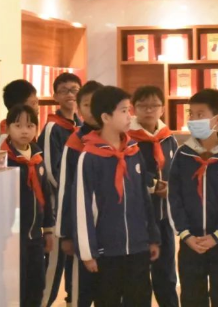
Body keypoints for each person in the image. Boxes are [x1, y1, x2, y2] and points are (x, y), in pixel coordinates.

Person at [75, 86, 161, 306]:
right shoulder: (90, 157)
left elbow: (144, 199)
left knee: (140, 300)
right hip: (107, 251)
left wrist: (152, 237)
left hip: (138, 247)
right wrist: (88, 252)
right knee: (108, 300)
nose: (129, 116)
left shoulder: (133, 151)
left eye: (129, 110)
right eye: (123, 111)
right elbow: (83, 206)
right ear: (105, 117)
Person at [168, 89, 218, 307]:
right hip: (190, 242)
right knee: (192, 297)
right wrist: (185, 234)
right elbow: (174, 197)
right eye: (191, 114)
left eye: (200, 114)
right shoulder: (183, 154)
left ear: (217, 119)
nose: (193, 119)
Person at [128, 86, 180, 307]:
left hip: (164, 216)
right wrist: (153, 184)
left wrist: (172, 188)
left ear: (162, 109)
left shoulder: (169, 138)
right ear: (133, 108)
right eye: (143, 106)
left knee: (166, 275)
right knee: (138, 278)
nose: (149, 110)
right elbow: (129, 170)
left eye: (154, 105)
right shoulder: (127, 138)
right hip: (137, 218)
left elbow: (176, 171)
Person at [55, 80, 104, 307]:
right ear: (79, 109)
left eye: (97, 103)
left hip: (110, 232)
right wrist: (65, 233)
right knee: (80, 293)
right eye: (86, 104)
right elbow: (65, 188)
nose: (92, 110)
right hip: (80, 231)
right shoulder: (75, 141)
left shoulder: (118, 138)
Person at [1, 105, 54, 307]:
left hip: (35, 237)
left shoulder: (37, 157)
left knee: (37, 285)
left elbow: (45, 194)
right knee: (17, 288)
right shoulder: (3, 160)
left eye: (30, 126)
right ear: (8, 128)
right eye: (18, 125)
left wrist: (48, 229)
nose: (24, 131)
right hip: (13, 237)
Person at [39, 72, 83, 307]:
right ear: (55, 96)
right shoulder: (52, 128)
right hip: (57, 207)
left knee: (75, 265)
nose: (70, 94)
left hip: (77, 206)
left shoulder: (82, 127)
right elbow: (50, 171)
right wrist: (74, 191)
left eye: (74, 90)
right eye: (64, 90)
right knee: (54, 266)